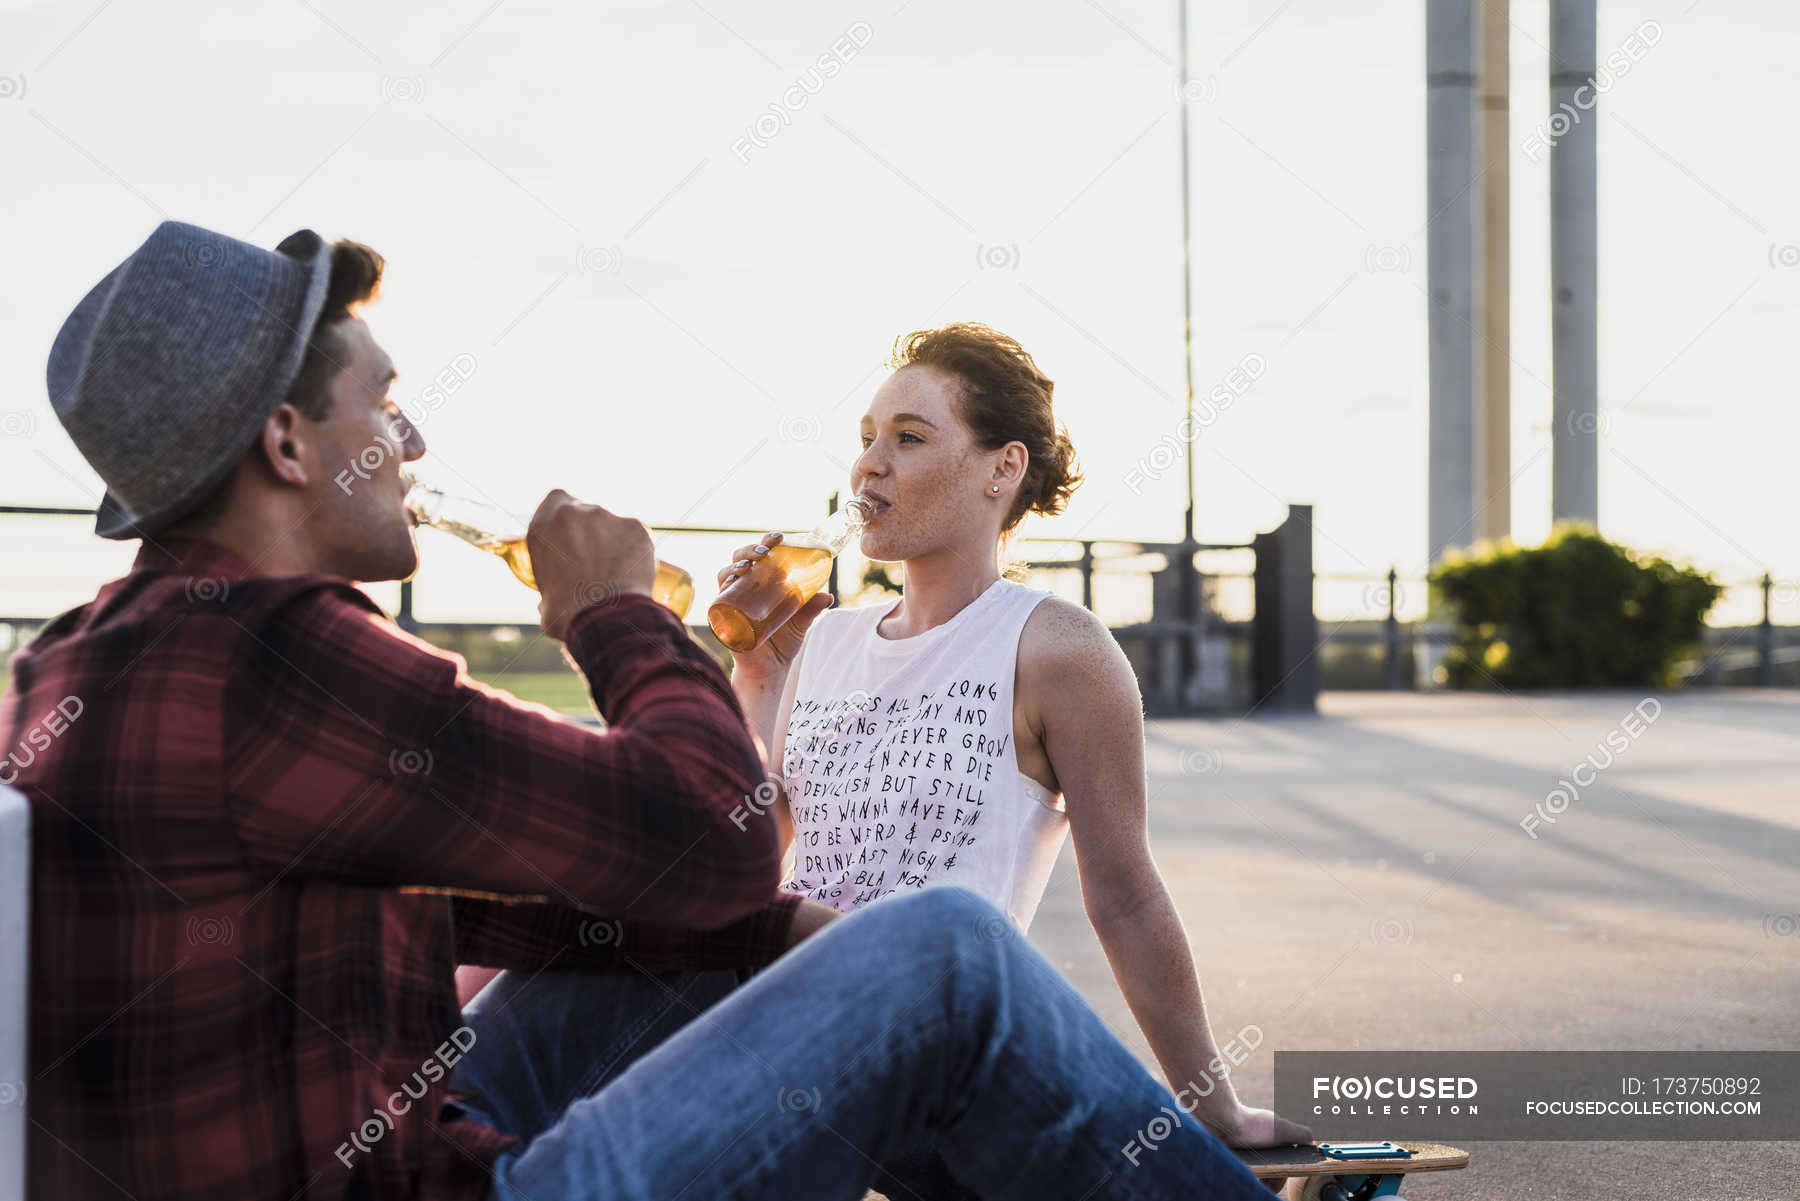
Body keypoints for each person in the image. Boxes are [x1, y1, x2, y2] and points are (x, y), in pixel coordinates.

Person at [6, 220, 1291, 1200]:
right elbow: (711, 838)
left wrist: (778, 926)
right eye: (382, 405)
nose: (413, 439)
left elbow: (627, 889)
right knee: (946, 957)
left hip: (335, 1143)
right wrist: (615, 613)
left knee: (690, 949)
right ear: (291, 447)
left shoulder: (88, 655)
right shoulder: (284, 657)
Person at [717, 324, 1311, 1164]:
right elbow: (758, 843)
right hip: (782, 1019)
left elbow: (1126, 894)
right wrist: (753, 670)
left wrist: (1213, 1104)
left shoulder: (1055, 648)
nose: (869, 465)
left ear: (1004, 468)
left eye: (909, 438)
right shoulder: (826, 640)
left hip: (933, 1055)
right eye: (866, 440)